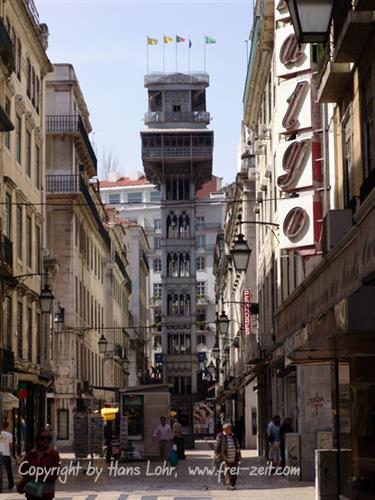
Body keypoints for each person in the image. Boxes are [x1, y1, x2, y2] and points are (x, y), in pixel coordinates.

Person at [17, 429, 60, 500]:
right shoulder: (31, 454)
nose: (46, 440)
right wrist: (29, 475)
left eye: (48, 438)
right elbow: (22, 469)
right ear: (38, 440)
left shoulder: (54, 455)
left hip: (46, 493)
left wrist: (37, 476)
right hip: (32, 492)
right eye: (43, 438)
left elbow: (55, 474)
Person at [214, 422, 241, 490]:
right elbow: (217, 446)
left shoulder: (233, 435)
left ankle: (233, 484)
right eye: (229, 428)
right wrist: (216, 454)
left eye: (231, 428)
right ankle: (228, 485)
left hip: (234, 457)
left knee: (234, 471)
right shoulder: (220, 436)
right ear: (225, 429)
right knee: (227, 471)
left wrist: (239, 453)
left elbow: (237, 445)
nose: (231, 429)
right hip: (225, 457)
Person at [0, 421, 14, 491]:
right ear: (7, 426)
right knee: (9, 471)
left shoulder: (0, 434)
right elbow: (10, 445)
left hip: (0, 453)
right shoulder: (9, 434)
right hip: (6, 454)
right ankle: (10, 486)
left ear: (2, 426)